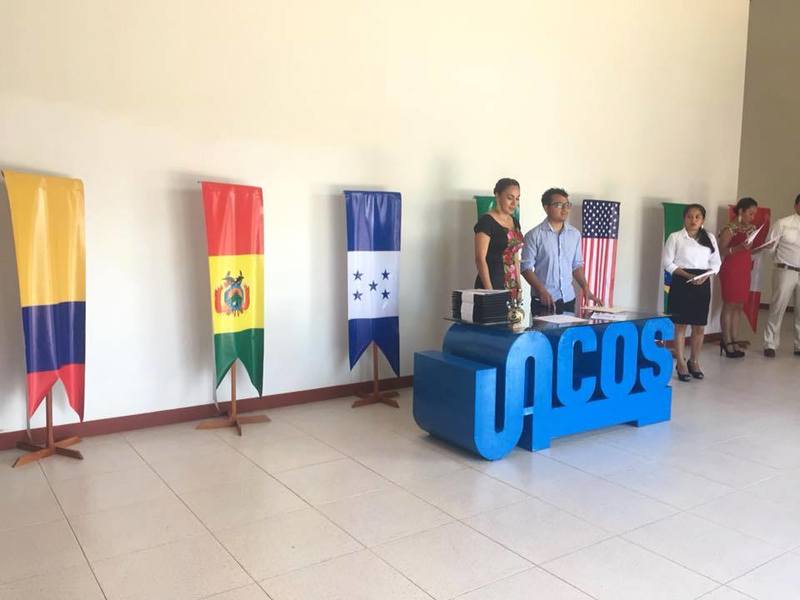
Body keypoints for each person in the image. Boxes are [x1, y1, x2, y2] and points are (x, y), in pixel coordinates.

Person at [662, 203, 721, 381]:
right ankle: (680, 362)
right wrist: (687, 275)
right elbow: (668, 263)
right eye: (689, 216)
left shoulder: (709, 237)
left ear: (703, 219)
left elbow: (716, 263)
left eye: (697, 217)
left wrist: (705, 276)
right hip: (681, 281)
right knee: (680, 325)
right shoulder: (675, 237)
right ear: (684, 218)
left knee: (699, 326)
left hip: (702, 283)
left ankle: (694, 361)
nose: (693, 220)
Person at [520, 187, 600, 316]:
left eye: (567, 205)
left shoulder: (574, 234)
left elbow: (576, 265)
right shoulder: (534, 235)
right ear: (546, 208)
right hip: (544, 300)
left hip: (568, 299)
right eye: (559, 205)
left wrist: (585, 287)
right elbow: (526, 268)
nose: (565, 209)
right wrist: (541, 290)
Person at [718, 197, 763, 357]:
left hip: (744, 268)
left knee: (738, 305)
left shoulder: (751, 228)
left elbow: (748, 250)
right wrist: (738, 248)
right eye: (750, 213)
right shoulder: (730, 228)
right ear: (741, 211)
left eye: (754, 214)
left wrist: (763, 247)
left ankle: (735, 340)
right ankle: (726, 340)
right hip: (731, 268)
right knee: (729, 304)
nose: (753, 217)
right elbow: (721, 250)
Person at [763, 193, 800, 357]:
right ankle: (770, 344)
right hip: (785, 270)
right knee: (777, 307)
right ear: (796, 205)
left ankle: (799, 345)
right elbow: (770, 247)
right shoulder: (783, 223)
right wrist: (780, 262)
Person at [474, 178, 524, 300]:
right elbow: (480, 259)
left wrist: (519, 286)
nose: (514, 203)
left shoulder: (514, 222)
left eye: (517, 198)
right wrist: (490, 292)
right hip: (491, 283)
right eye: (510, 198)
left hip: (511, 284)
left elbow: (515, 256)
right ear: (497, 196)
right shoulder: (486, 221)